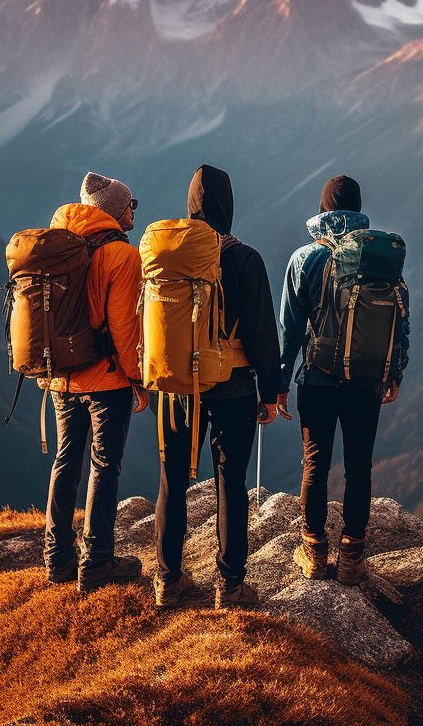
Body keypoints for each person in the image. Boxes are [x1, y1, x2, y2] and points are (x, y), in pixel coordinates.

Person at [153, 165, 282, 610]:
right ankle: (229, 586)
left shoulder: (167, 254)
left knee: (171, 480)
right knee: (231, 480)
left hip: (175, 389)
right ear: (228, 206)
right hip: (232, 386)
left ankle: (168, 580)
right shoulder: (245, 258)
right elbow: (264, 335)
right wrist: (272, 392)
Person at [279, 175, 408, 585]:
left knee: (315, 463)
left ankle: (314, 552)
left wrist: (280, 381)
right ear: (358, 210)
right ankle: (352, 557)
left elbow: (290, 328)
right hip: (365, 381)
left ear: (323, 211)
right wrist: (394, 373)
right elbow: (399, 317)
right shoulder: (378, 257)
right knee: (358, 466)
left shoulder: (306, 258)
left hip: (317, 379)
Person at [43, 172, 148, 593]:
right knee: (104, 466)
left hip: (61, 378)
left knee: (66, 460)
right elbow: (124, 330)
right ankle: (98, 561)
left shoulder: (59, 246)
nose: (133, 211)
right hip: (106, 379)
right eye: (130, 204)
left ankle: (57, 558)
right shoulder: (122, 256)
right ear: (115, 210)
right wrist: (138, 379)